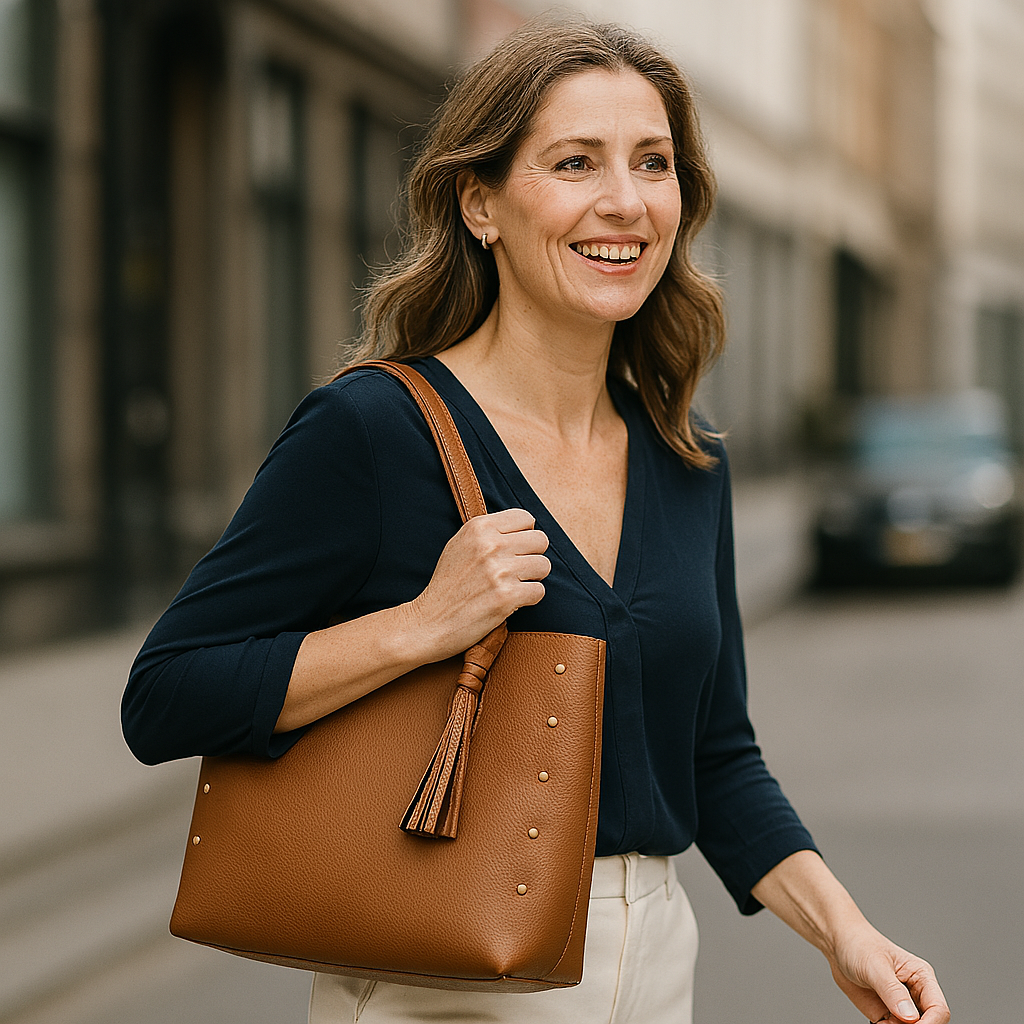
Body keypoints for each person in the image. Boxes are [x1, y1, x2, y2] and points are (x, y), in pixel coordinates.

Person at [123, 17, 950, 1024]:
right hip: (444, 972)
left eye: (654, 163)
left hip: (654, 972)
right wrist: (417, 627)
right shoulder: (372, 431)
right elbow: (165, 695)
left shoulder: (686, 457)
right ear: (481, 204)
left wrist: (845, 931)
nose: (625, 200)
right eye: (574, 162)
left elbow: (715, 757)